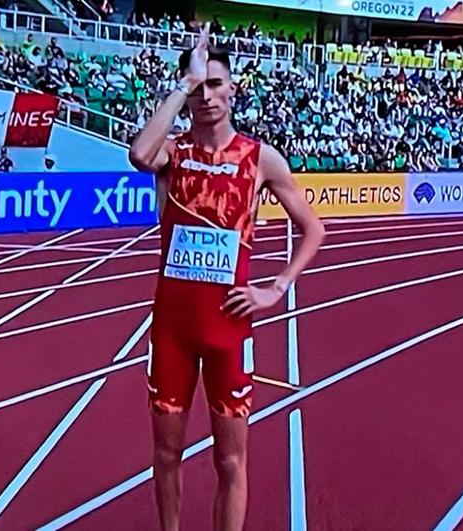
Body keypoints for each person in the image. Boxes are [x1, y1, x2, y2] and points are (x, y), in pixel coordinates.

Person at [129, 25, 325, 531]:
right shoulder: (172, 153)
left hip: (228, 331)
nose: (207, 97)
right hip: (171, 327)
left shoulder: (260, 159)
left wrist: (276, 287)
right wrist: (183, 84)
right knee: (166, 455)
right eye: (199, 88)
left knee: (230, 462)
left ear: (233, 88)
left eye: (216, 85)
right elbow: (138, 154)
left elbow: (312, 229)